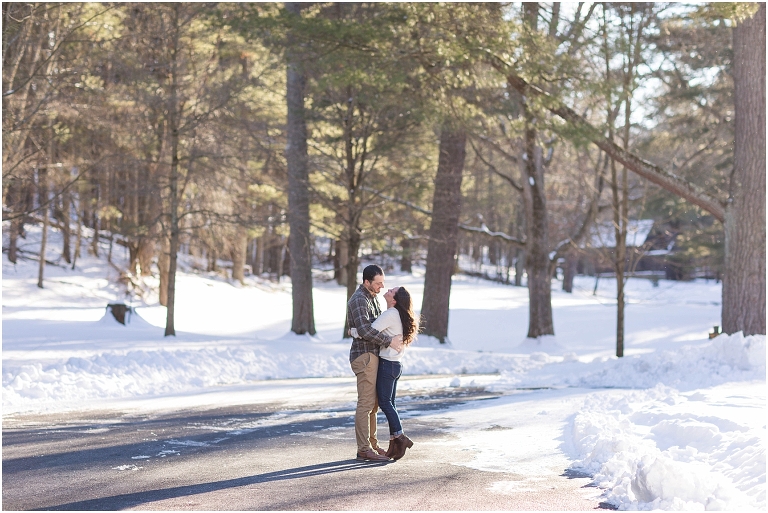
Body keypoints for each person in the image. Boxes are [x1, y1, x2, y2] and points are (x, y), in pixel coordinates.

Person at [347, 264, 403, 462]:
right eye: (378, 283)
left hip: (373, 355)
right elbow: (365, 330)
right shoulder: (359, 299)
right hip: (364, 356)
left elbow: (371, 328)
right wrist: (389, 341)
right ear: (367, 282)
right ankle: (364, 449)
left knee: (374, 405)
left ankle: (372, 443)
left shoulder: (373, 298)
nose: (381, 287)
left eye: (383, 283)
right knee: (365, 404)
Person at [357, 286, 418, 461]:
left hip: (387, 365)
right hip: (395, 365)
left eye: (392, 290)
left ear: (394, 300)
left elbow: (368, 331)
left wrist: (353, 331)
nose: (388, 289)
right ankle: (394, 445)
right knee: (390, 403)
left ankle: (400, 437)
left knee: (385, 403)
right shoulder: (397, 315)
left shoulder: (391, 314)